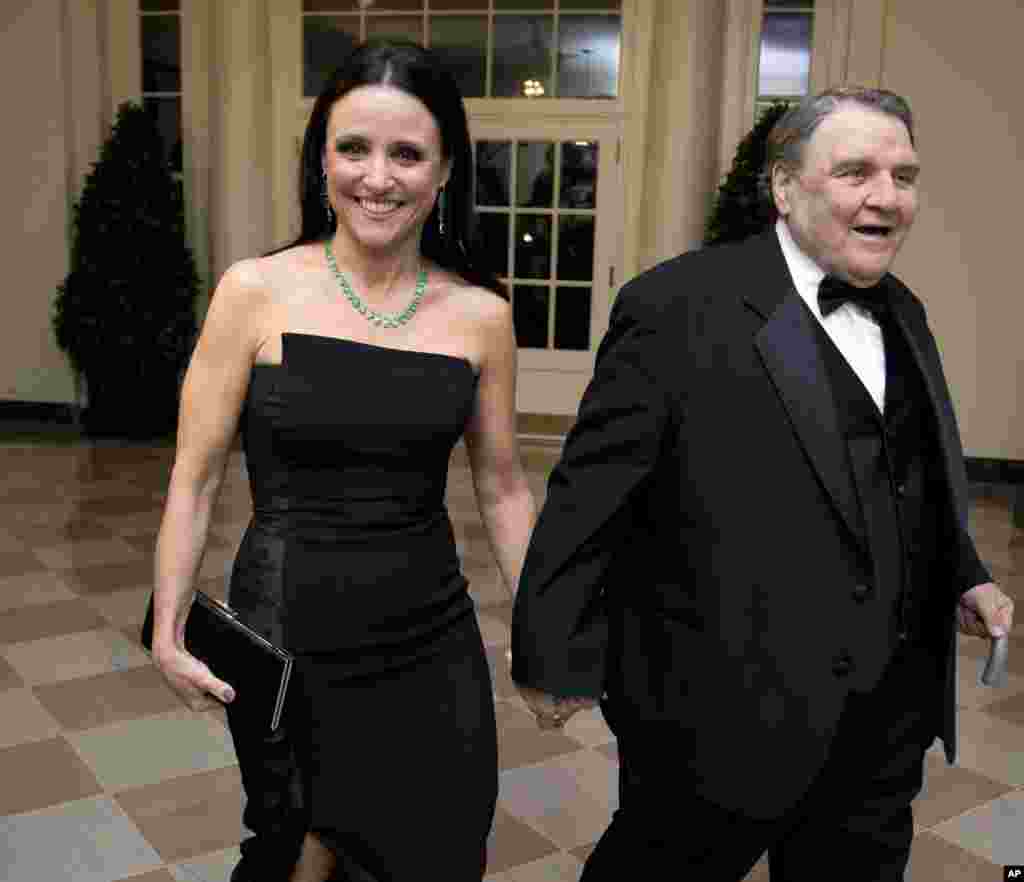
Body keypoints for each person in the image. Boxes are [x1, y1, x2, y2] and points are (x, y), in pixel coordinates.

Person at [510, 86, 1014, 880]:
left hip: (885, 721)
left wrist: (967, 574)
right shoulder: (676, 307)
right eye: (856, 172)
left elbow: (909, 478)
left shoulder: (906, 312)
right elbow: (588, 499)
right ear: (784, 187)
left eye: (905, 175)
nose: (887, 196)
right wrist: (551, 652)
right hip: (720, 714)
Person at [151, 41, 535, 882]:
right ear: (320, 155)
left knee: (440, 845)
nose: (378, 177)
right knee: (300, 847)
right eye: (353, 147)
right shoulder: (255, 290)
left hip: (430, 632)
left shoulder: (480, 314)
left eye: (408, 154)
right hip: (293, 629)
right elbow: (196, 471)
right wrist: (169, 622)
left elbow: (503, 484)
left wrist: (543, 620)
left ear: (444, 172)